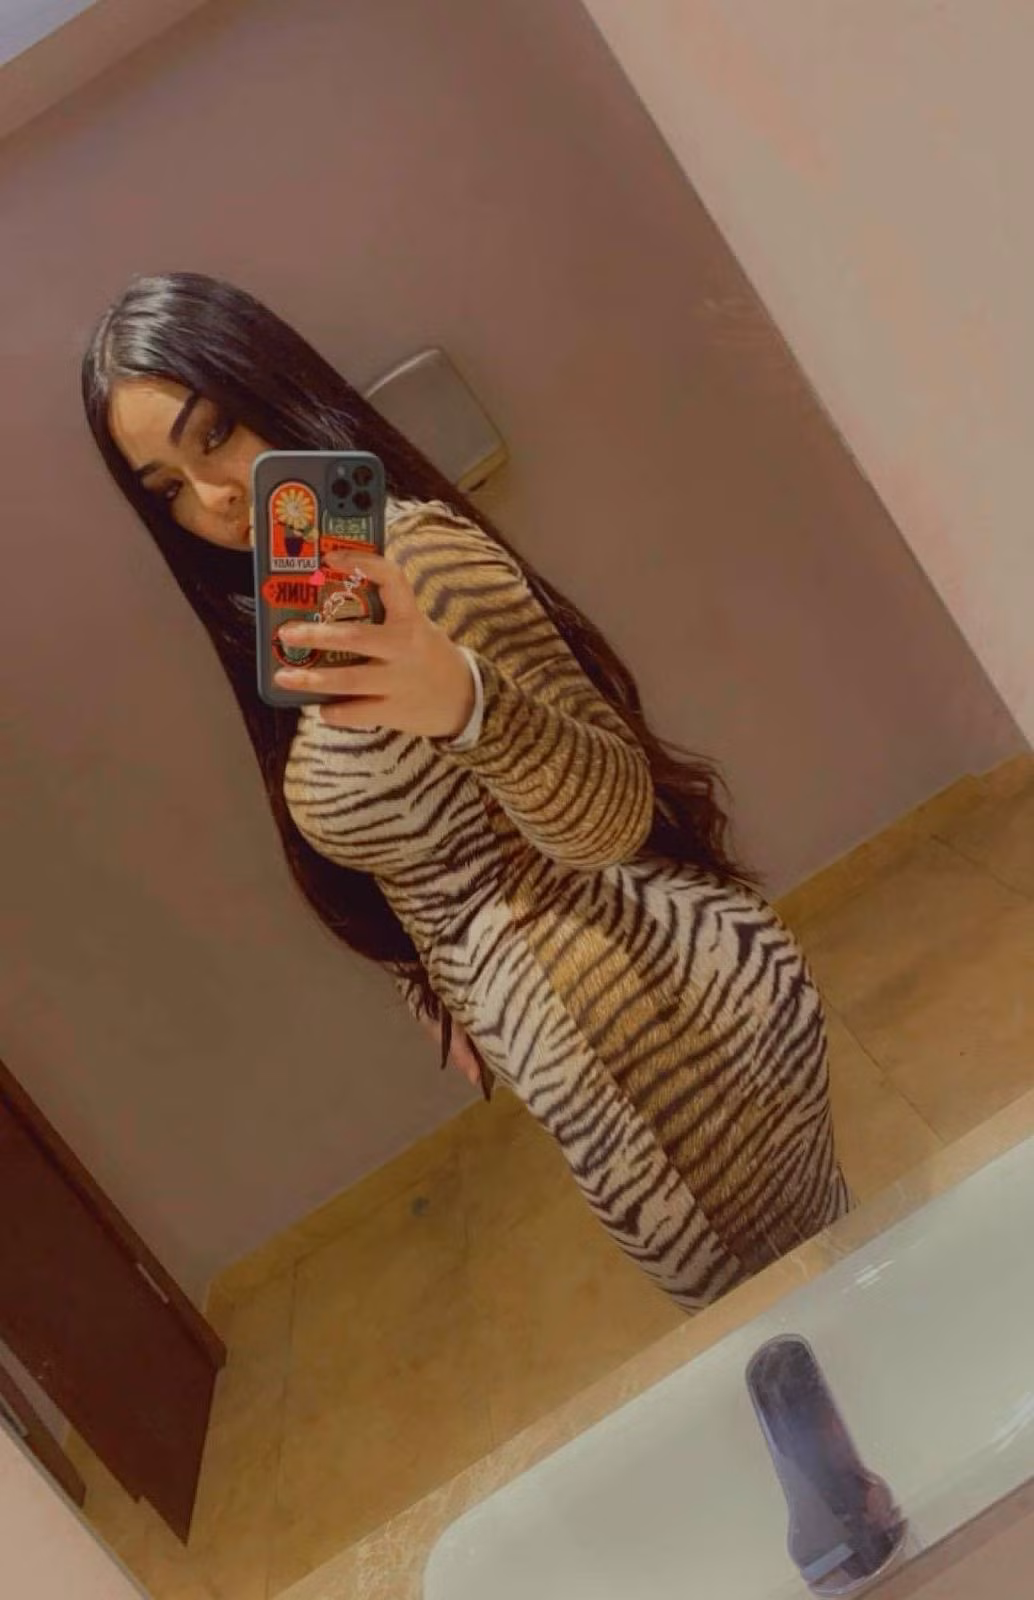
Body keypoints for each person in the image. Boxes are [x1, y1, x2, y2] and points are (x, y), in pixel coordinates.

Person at [82, 271, 851, 1311]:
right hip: (600, 1055)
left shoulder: (414, 557)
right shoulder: (303, 607)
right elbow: (420, 841)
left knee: (803, 1334)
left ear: (272, 387)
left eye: (215, 434)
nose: (211, 499)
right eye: (167, 486)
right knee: (803, 1332)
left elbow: (614, 815)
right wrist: (433, 985)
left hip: (671, 1035)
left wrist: (466, 703)